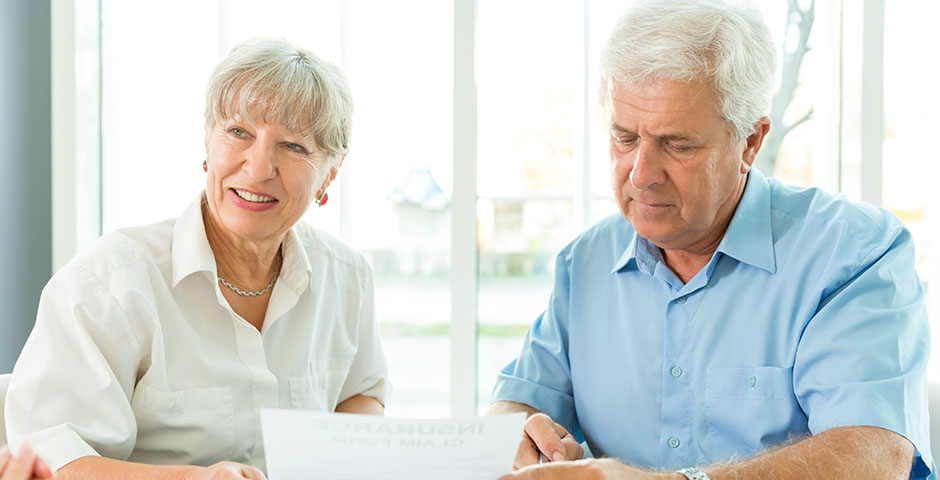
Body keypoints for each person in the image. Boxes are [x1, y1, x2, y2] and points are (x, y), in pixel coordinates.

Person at [489, 1, 932, 479]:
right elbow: (520, 403)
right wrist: (515, 434)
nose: (641, 175)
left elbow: (872, 457)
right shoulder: (586, 263)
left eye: (678, 145)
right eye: (624, 138)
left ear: (750, 143)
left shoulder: (856, 254)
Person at [5, 39, 389, 479]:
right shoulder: (107, 283)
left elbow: (361, 395)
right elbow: (53, 461)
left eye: (294, 146)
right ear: (208, 143)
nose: (260, 166)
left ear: (329, 176)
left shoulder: (349, 277)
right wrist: (192, 479)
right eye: (239, 132)